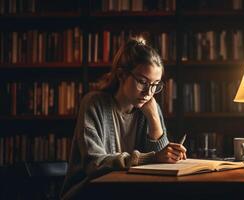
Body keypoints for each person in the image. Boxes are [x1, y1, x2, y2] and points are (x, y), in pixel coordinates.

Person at [60, 38, 187, 199]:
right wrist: (151, 158)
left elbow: (161, 165)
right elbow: (94, 164)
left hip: (129, 191)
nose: (149, 92)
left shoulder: (149, 106)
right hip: (89, 192)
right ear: (121, 75)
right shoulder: (94, 103)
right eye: (142, 82)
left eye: (155, 85)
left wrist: (154, 119)